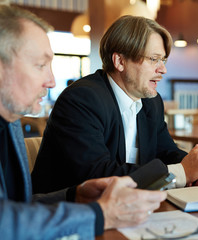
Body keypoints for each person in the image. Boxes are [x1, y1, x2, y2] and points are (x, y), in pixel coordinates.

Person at [0, 5, 166, 238]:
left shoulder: (10, 123)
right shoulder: (84, 97)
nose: (51, 81)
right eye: (40, 65)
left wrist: (73, 195)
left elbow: (18, 205)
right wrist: (97, 215)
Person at [31, 15, 198, 194]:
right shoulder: (83, 99)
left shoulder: (151, 102)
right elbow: (96, 174)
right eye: (154, 59)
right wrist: (182, 171)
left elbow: (166, 151)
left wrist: (196, 167)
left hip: (128, 206)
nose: (163, 69)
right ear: (120, 61)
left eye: (163, 60)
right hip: (66, 217)